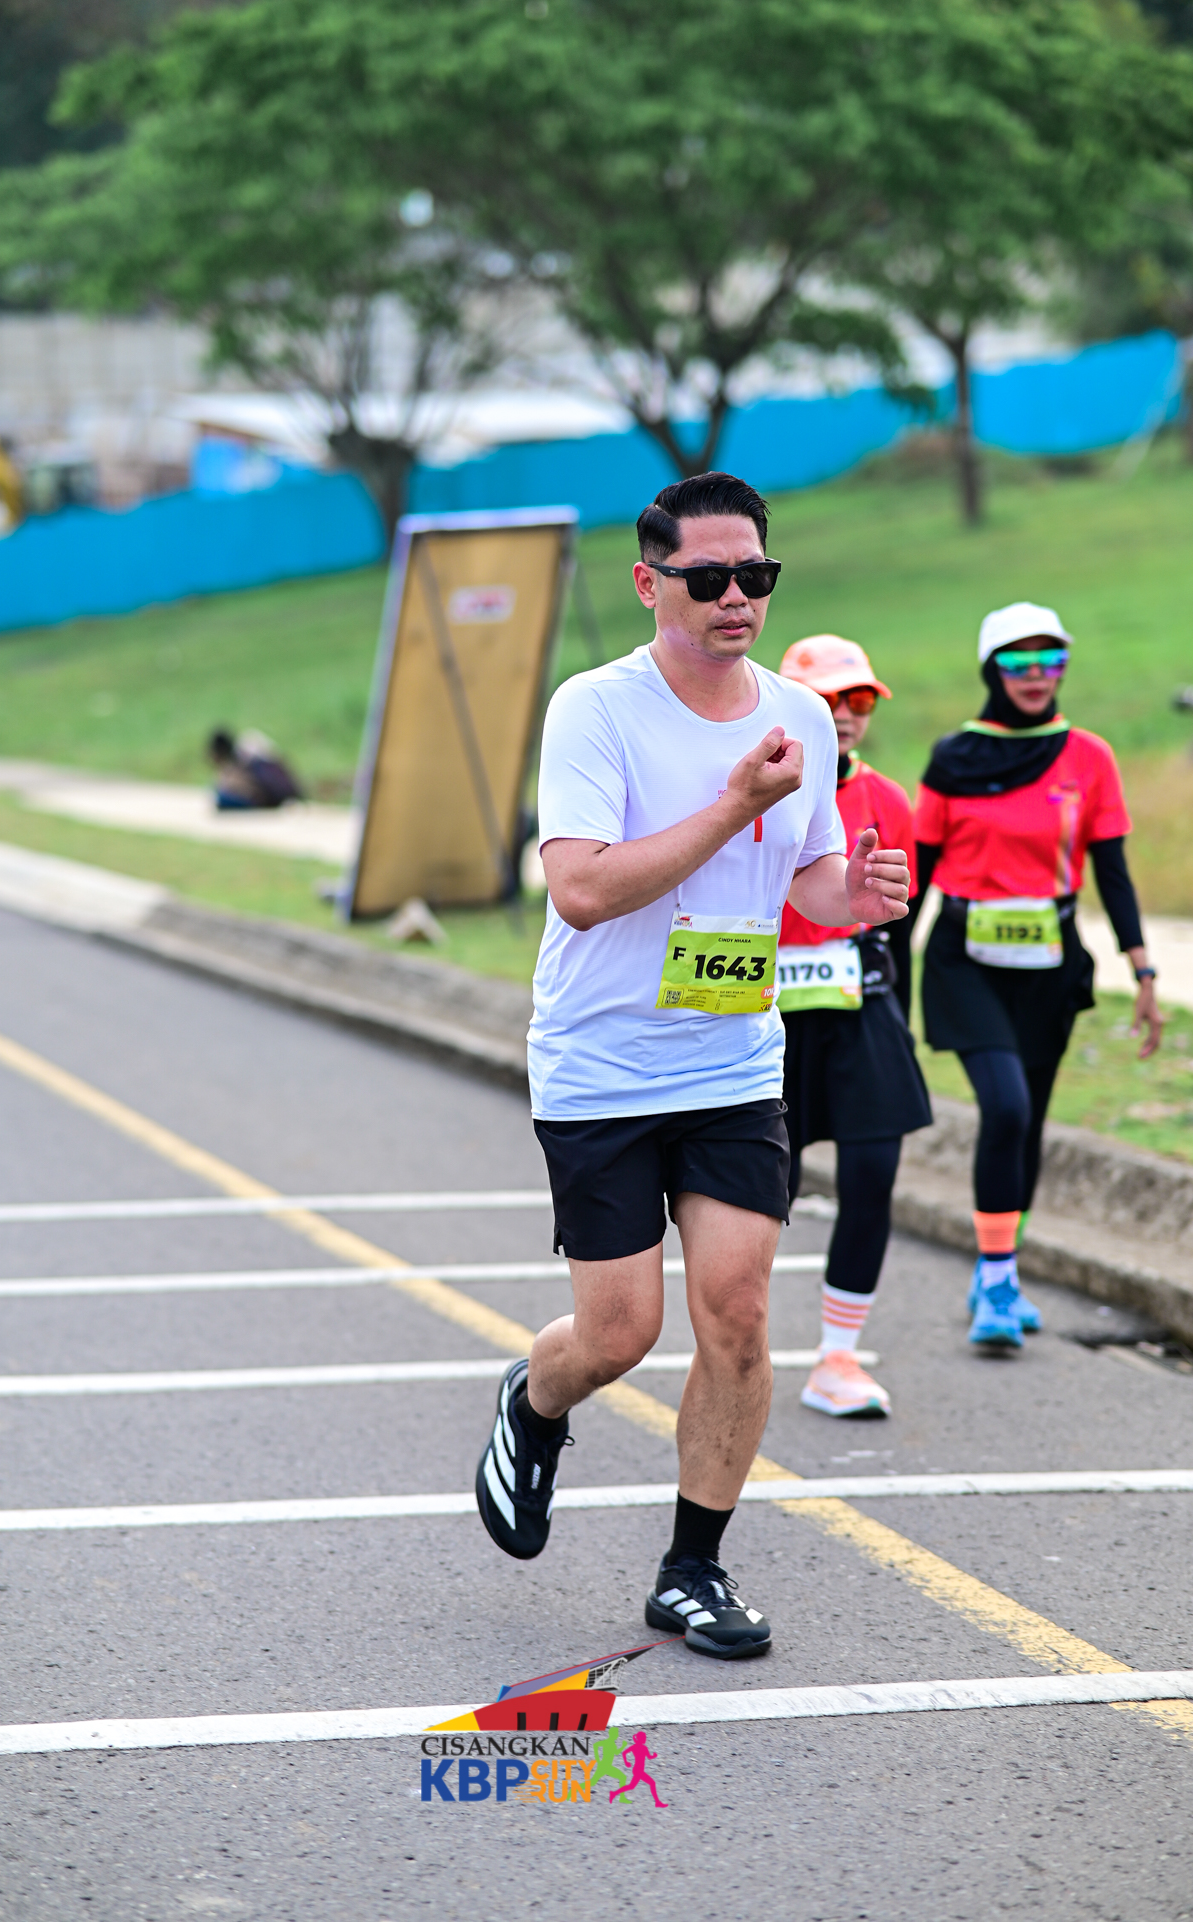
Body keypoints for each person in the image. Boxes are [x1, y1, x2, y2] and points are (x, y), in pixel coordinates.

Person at [473, 471, 910, 1659]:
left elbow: (808, 877)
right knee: (616, 1332)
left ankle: (691, 1569)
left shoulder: (800, 716)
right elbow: (579, 887)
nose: (734, 598)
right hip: (602, 1064)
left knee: (737, 1314)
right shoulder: (593, 709)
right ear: (647, 581)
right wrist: (726, 806)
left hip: (732, 1061)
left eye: (753, 575)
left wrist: (858, 893)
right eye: (707, 576)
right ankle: (534, 1397)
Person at [912, 601, 1161, 1349]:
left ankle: (1003, 1266)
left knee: (1030, 1126)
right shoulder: (954, 758)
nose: (1036, 675)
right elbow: (920, 872)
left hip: (1050, 963)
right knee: (1007, 1108)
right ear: (993, 670)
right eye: (1019, 661)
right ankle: (995, 1279)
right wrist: (883, 963)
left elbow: (1111, 871)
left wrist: (1142, 969)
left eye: (1051, 660)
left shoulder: (1089, 756)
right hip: (965, 960)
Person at [775, 636, 932, 1418]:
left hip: (860, 1004)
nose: (846, 714)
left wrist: (898, 1011)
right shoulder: (751, 789)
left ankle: (837, 1356)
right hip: (763, 1016)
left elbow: (900, 918)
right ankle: (733, 1344)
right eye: (830, 700)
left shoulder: (890, 800)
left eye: (860, 699)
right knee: (757, 1195)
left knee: (873, 1175)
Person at [207, 727, 303, 810]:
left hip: (270, 793)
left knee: (222, 798)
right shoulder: (245, 754)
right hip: (275, 792)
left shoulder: (246, 756)